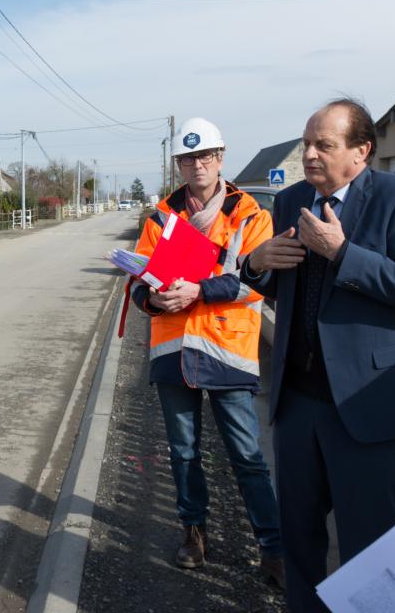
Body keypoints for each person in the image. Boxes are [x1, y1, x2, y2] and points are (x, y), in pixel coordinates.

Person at [241, 99, 395, 612]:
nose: (308, 154)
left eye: (323, 145)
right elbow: (281, 288)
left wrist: (344, 253)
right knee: (300, 541)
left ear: (361, 151)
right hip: (298, 404)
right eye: (306, 142)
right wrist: (255, 265)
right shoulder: (287, 203)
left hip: (369, 410)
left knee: (368, 549)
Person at [130, 117, 285, 587]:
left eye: (205, 156)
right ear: (178, 164)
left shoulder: (251, 214)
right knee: (183, 452)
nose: (197, 165)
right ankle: (193, 534)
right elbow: (138, 279)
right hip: (173, 351)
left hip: (227, 351)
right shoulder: (160, 218)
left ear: (220, 158)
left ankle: (272, 548)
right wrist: (151, 297)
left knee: (247, 455)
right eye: (188, 158)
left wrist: (196, 291)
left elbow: (257, 283)